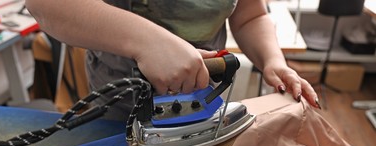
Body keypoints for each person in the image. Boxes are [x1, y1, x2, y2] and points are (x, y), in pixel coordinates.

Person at [25, 0, 321, 121]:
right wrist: (148, 42)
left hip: (208, 92)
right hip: (122, 100)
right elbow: (47, 4)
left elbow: (250, 15)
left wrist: (272, 60)